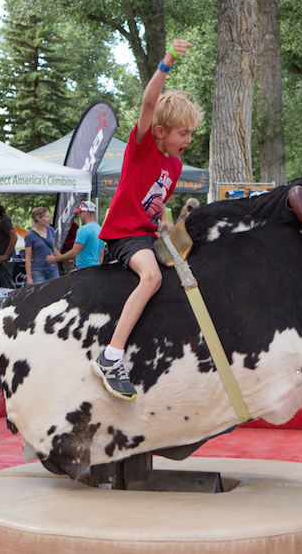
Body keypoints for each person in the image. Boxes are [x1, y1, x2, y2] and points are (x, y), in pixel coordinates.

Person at [92, 38, 203, 401]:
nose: (189, 139)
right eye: (183, 133)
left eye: (190, 133)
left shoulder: (176, 166)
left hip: (145, 234)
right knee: (152, 276)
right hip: (124, 234)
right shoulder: (141, 149)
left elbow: (156, 203)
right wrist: (167, 60)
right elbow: (149, 103)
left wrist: (166, 225)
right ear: (160, 132)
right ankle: (111, 356)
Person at [49, 201, 105, 270]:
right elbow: (101, 255)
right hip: (95, 269)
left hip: (83, 269)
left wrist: (55, 259)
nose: (78, 215)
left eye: (80, 212)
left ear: (85, 212)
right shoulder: (100, 229)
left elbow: (74, 252)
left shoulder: (83, 229)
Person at [25, 207, 60, 284]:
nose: (49, 219)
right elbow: (28, 257)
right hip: (38, 271)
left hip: (53, 270)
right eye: (47, 217)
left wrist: (65, 258)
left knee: (57, 290)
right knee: (41, 291)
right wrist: (29, 277)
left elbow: (54, 249)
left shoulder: (50, 230)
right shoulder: (30, 235)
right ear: (39, 219)